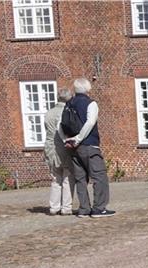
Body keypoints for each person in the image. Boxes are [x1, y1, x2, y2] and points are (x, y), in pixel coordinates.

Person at [64, 77, 115, 218]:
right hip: (89, 145)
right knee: (99, 177)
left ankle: (84, 209)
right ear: (88, 89)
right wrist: (79, 139)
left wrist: (68, 140)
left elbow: (60, 124)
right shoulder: (90, 103)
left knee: (81, 178)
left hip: (73, 147)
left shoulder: (69, 103)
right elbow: (90, 122)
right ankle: (99, 208)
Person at [43, 88, 75, 215]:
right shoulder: (66, 112)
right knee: (67, 176)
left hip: (50, 146)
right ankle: (66, 207)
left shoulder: (49, 112)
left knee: (56, 178)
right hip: (63, 146)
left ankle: (54, 207)